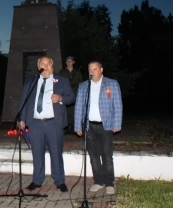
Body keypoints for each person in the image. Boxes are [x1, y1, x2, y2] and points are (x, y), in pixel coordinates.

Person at [19, 55, 75, 192]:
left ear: (52, 65)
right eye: (43, 64)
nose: (46, 66)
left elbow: (71, 97)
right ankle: (37, 180)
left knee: (56, 153)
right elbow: (23, 100)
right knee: (37, 153)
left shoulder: (61, 80)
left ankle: (59, 181)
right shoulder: (31, 81)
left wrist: (61, 98)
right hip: (35, 123)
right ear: (39, 67)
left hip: (53, 123)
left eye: (48, 63)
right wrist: (22, 118)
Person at [74, 61, 123, 195]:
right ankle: (98, 181)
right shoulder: (84, 86)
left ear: (101, 70)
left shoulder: (111, 84)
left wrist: (116, 124)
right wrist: (78, 125)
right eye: (90, 69)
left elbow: (117, 105)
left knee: (107, 155)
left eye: (95, 69)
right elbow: (79, 107)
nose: (92, 71)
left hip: (105, 125)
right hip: (90, 126)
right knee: (94, 156)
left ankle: (109, 183)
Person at [59, 56, 83, 134]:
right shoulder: (62, 72)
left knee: (74, 110)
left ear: (73, 62)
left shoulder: (77, 72)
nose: (69, 63)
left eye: (70, 61)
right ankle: (66, 126)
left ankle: (73, 126)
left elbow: (81, 83)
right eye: (67, 61)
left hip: (75, 93)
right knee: (65, 110)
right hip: (65, 94)